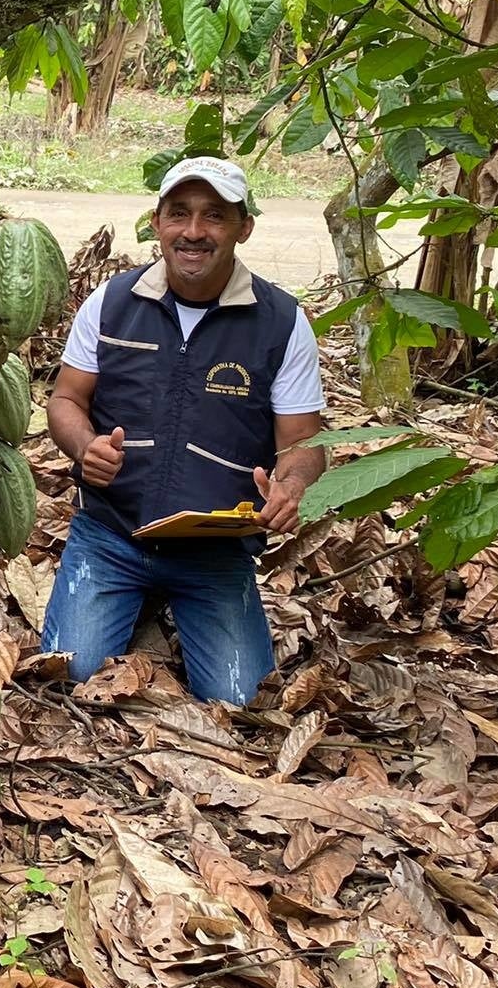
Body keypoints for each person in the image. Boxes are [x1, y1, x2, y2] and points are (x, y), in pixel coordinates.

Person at [39, 156, 328, 705]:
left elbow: (304, 443)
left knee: (239, 698)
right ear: (157, 222)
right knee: (72, 677)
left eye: (213, 216)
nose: (193, 232)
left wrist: (290, 487)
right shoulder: (111, 303)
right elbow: (66, 399)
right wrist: (85, 447)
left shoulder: (282, 322)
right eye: (179, 213)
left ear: (244, 226)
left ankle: (170, 602)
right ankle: (137, 598)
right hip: (112, 534)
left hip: (214, 547)